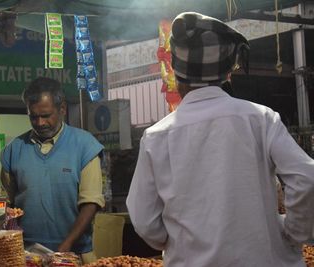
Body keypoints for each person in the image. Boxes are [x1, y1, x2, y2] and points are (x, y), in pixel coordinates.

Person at [126, 12, 314, 267]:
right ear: (227, 74)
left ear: (177, 76)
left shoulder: (156, 137)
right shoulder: (260, 119)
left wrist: (177, 241)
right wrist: (294, 233)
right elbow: (306, 179)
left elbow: (144, 219)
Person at [1, 77, 104, 263]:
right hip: (28, 257)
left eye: (46, 115)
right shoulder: (13, 150)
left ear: (62, 109)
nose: (40, 122)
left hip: (75, 255)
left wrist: (65, 246)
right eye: (33, 116)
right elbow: (8, 205)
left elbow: (91, 204)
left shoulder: (85, 146)